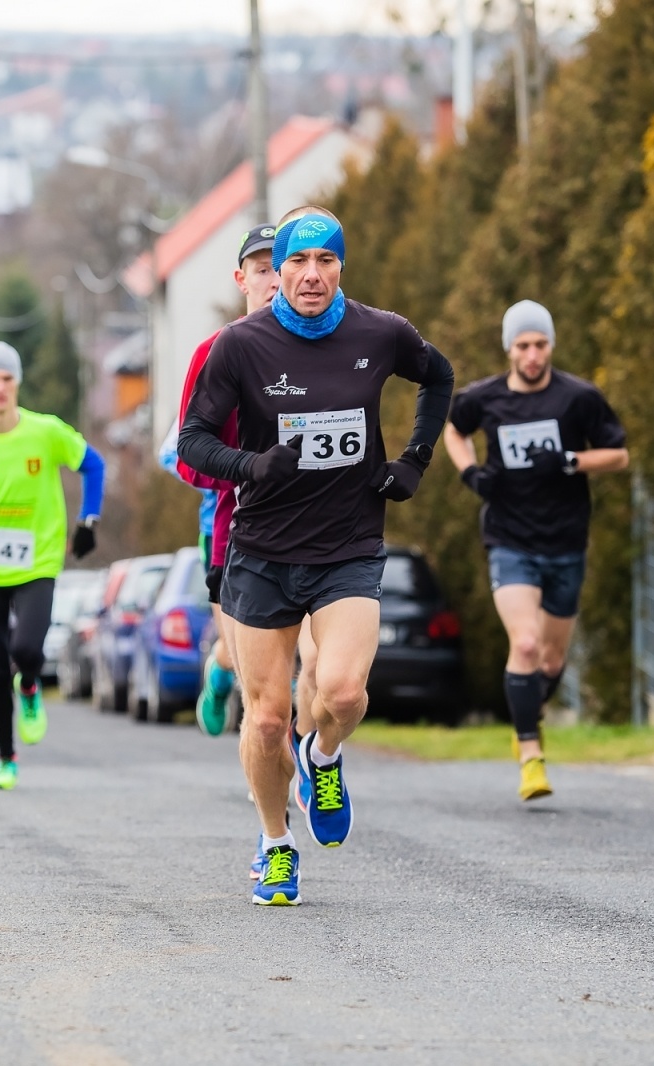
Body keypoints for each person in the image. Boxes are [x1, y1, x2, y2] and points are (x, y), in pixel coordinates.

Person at [179, 207, 454, 906]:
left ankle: (323, 756)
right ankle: (276, 846)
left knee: (341, 693)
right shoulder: (241, 346)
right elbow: (194, 440)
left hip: (348, 547)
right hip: (263, 551)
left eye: (324, 262)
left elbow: (439, 376)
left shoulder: (380, 332)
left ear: (339, 268)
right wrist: (252, 466)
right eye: (295, 263)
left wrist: (416, 461)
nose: (308, 276)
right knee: (267, 718)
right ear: (279, 273)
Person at [443, 299, 629, 801]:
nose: (531, 354)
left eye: (540, 344)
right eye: (523, 345)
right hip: (509, 538)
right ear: (509, 348)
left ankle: (528, 711)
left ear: (551, 346)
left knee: (549, 660)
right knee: (523, 644)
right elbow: (454, 428)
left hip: (566, 539)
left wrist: (570, 460)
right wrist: (471, 473)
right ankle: (530, 754)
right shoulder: (483, 397)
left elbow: (619, 453)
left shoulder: (579, 397)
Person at [0, 340, 105, 791]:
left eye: (7, 378)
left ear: (18, 383)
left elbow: (94, 465)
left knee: (26, 649)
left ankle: (29, 685)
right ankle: (5, 758)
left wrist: (89, 519)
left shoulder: (45, 432)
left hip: (38, 560)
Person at [163, 222, 279, 739]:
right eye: (263, 270)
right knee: (237, 654)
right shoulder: (216, 354)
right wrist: (245, 468)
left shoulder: (330, 349)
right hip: (230, 529)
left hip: (315, 532)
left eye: (285, 266)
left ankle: (311, 767)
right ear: (242, 279)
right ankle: (219, 673)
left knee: (310, 669)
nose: (276, 280)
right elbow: (184, 457)